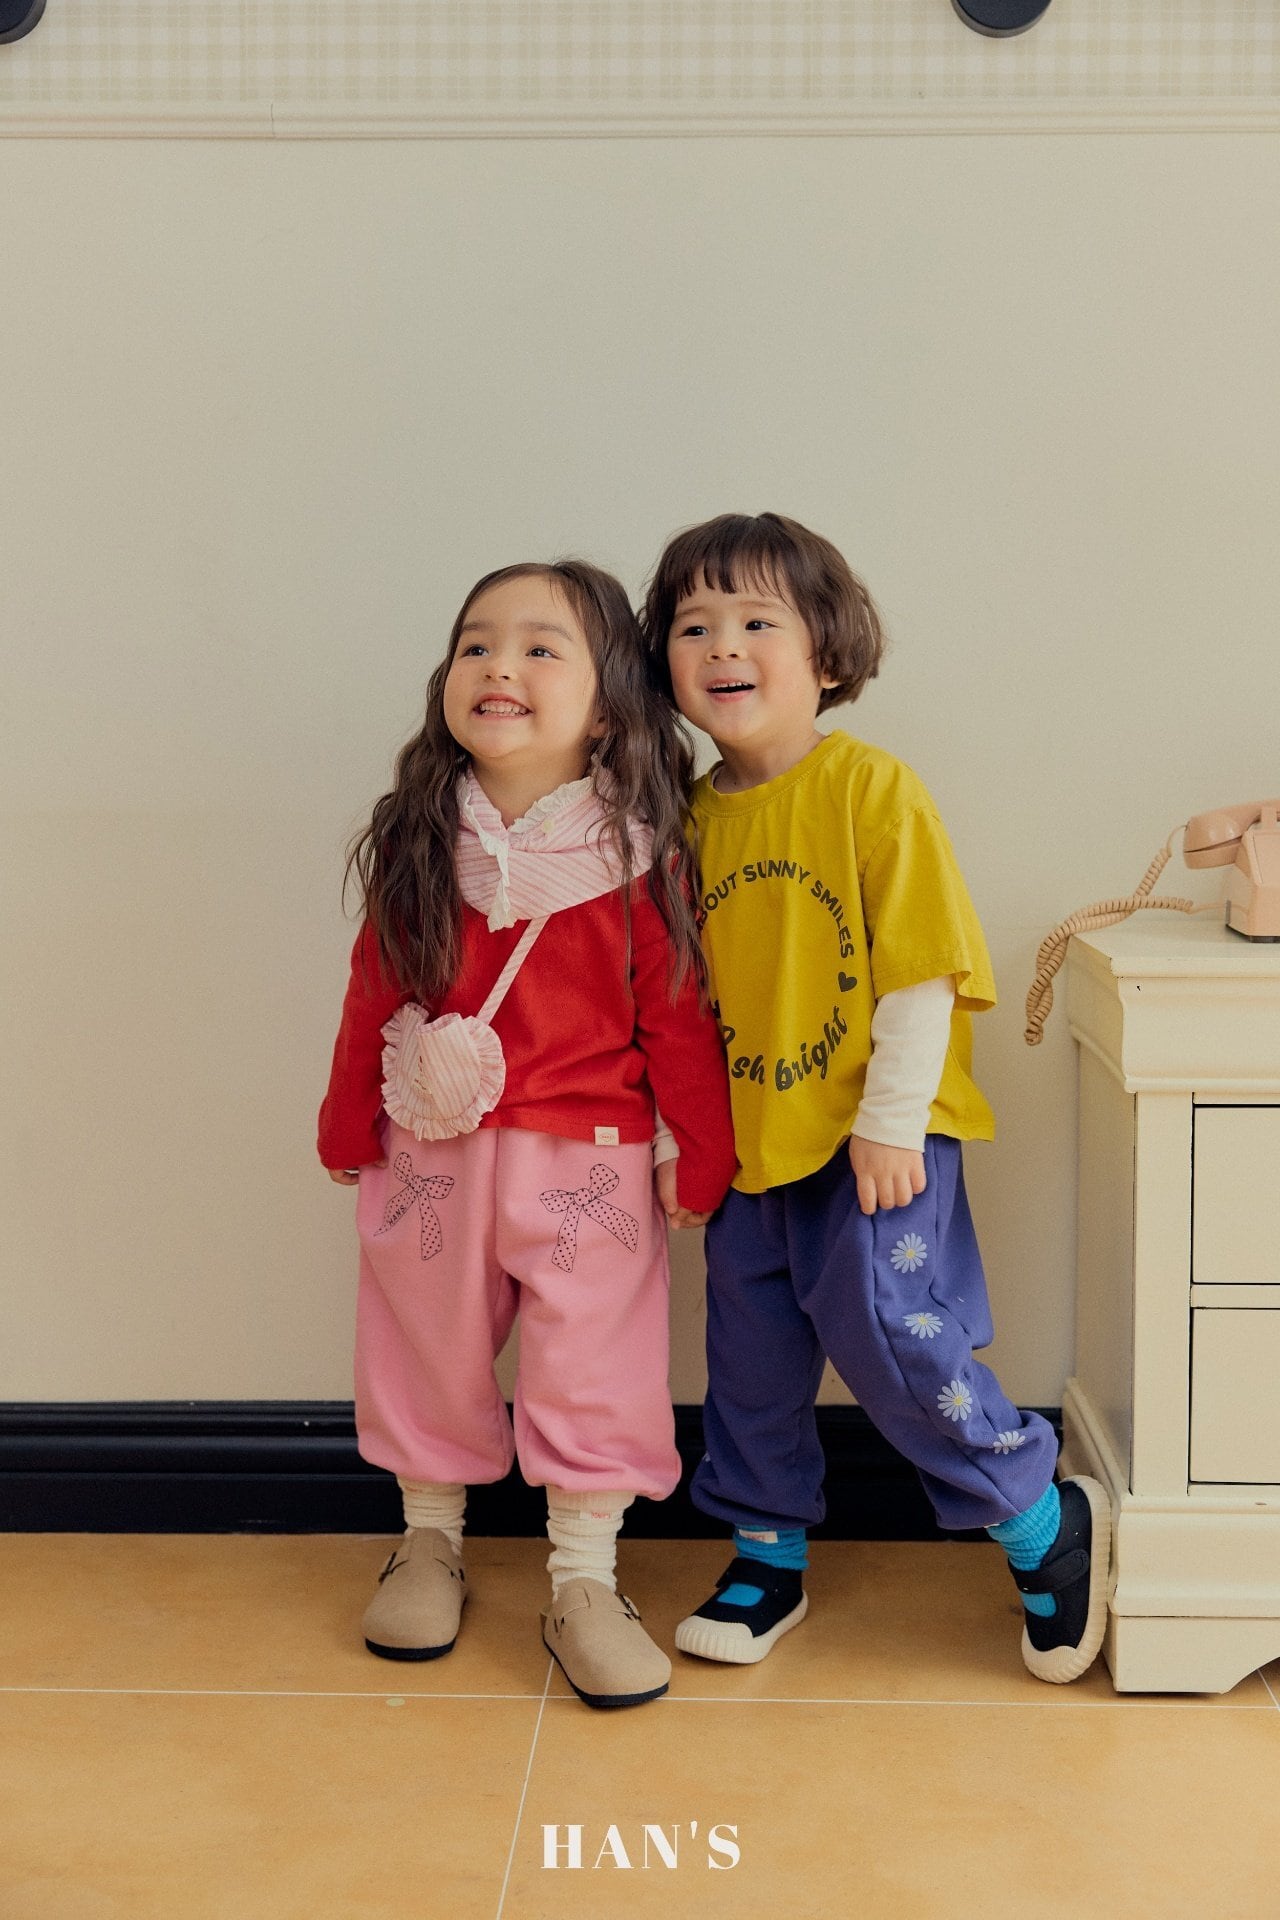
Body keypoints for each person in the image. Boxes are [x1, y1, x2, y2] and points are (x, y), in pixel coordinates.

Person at [640, 511, 1110, 1684]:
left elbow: (921, 972)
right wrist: (672, 1138)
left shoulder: (870, 789)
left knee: (899, 1339)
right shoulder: (683, 823)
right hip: (749, 1147)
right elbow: (670, 1004)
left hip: (873, 1141)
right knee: (748, 1360)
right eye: (693, 626)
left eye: (756, 620)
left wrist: (890, 1122)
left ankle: (1038, 1517)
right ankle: (765, 1558)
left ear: (826, 653)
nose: (722, 644)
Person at [318, 559, 736, 1709]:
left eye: (540, 647)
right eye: (475, 644)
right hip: (432, 1148)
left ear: (606, 708)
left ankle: (584, 1579)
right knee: (422, 1341)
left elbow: (676, 1016)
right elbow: (372, 992)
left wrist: (699, 1151)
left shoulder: (638, 854)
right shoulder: (417, 840)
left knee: (595, 1361)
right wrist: (346, 1118)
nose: (498, 665)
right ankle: (427, 1541)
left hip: (588, 1158)